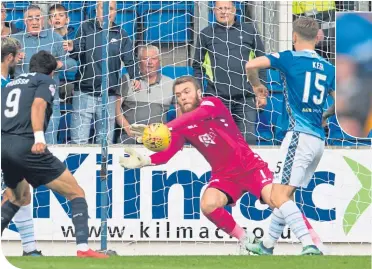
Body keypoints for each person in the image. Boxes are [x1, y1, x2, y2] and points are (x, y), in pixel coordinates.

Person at [119, 75, 275, 249]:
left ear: (199, 92)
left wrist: (163, 128)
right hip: (225, 176)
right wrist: (145, 160)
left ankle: (310, 241)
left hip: (249, 167)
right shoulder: (181, 126)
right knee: (208, 204)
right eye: (178, 95)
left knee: (276, 201)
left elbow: (197, 116)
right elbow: (167, 153)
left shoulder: (211, 104)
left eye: (187, 92)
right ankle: (246, 240)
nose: (183, 97)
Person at [1, 50, 108, 258]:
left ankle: (30, 250)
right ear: (51, 73)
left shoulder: (9, 85)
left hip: (3, 145)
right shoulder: (45, 81)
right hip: (27, 145)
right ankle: (83, 248)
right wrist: (40, 139)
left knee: (18, 197)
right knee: (75, 192)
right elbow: (39, 105)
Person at [244, 17, 335, 255]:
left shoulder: (288, 57)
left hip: (298, 136)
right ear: (317, 38)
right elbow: (341, 102)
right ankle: (267, 245)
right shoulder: (329, 67)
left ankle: (309, 243)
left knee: (276, 196)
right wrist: (325, 116)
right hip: (318, 139)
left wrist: (256, 86)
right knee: (287, 195)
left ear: (294, 37)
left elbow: (250, 65)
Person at [64, 1, 141, 144]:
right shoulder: (86, 27)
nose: (107, 11)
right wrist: (72, 48)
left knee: (105, 142)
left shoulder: (121, 34)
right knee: (78, 142)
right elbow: (77, 54)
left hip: (109, 95)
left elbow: (130, 59)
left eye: (111, 8)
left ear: (115, 12)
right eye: (103, 7)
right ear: (96, 10)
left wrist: (135, 76)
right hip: (84, 92)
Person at [192, 1, 267, 144]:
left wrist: (261, 92)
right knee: (220, 142)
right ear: (214, 11)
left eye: (227, 8)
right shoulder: (206, 34)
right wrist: (199, 89)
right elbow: (197, 66)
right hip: (217, 99)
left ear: (234, 10)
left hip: (245, 99)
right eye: (220, 8)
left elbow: (261, 62)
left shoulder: (249, 30)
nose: (223, 12)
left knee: (247, 141)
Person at [12, 4, 77, 144]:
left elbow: (73, 65)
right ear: (25, 21)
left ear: (44, 20)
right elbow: (3, 66)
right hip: (23, 101)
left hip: (50, 101)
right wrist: (13, 59)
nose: (34, 22)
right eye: (30, 18)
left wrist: (60, 64)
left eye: (38, 18)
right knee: (23, 145)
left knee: (49, 144)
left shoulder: (56, 38)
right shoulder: (15, 40)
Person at [1, 37, 43, 256]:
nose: (19, 59)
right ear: (9, 57)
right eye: (17, 55)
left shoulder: (8, 84)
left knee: (21, 192)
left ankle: (29, 248)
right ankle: (30, 248)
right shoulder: (4, 85)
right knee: (16, 193)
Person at [116, 45, 176, 144]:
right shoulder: (126, 80)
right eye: (145, 59)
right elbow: (116, 110)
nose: (150, 63)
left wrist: (168, 133)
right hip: (129, 138)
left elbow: (180, 114)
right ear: (139, 61)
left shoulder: (170, 83)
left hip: (159, 139)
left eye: (154, 58)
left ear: (159, 61)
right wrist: (130, 131)